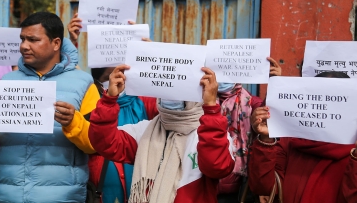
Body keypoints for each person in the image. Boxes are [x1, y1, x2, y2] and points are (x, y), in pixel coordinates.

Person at [0, 12, 100, 203]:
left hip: (63, 196)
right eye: (22, 39)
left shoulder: (84, 84)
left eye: (33, 40)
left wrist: (73, 123)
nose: (24, 46)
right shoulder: (6, 81)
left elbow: (95, 144)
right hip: (8, 196)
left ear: (56, 43)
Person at [89, 64, 235, 203]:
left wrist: (210, 108)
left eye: (179, 88)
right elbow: (104, 142)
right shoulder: (144, 131)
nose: (171, 96)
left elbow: (217, 167)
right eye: (166, 89)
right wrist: (109, 100)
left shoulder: (209, 133)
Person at [68, 13, 158, 203]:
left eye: (123, 73)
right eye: (111, 76)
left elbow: (170, 96)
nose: (118, 80)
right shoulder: (92, 99)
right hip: (101, 191)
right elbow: (71, 79)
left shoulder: (146, 101)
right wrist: (73, 44)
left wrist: (153, 55)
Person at [248, 71, 357, 203]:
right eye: (317, 97)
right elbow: (263, 187)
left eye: (333, 99)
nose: (323, 107)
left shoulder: (352, 152)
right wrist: (266, 139)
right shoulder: (290, 142)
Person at [216, 57, 282, 203]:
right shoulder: (194, 103)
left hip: (240, 188)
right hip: (202, 182)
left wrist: (276, 85)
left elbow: (267, 119)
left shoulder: (252, 103)